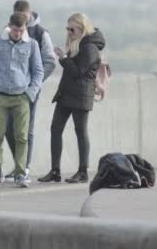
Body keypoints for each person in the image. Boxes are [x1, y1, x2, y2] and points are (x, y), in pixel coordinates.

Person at [0, 12, 43, 188]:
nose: (17, 34)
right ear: (9, 26)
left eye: (21, 31)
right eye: (15, 30)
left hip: (21, 97)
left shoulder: (32, 45)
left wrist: (31, 92)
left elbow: (38, 71)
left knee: (21, 136)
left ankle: (21, 173)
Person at [38, 13, 105, 184]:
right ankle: (55, 170)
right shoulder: (77, 44)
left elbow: (78, 71)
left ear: (82, 28)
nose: (69, 32)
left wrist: (64, 58)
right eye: (67, 29)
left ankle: (83, 171)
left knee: (80, 131)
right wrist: (65, 57)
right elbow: (72, 69)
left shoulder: (90, 47)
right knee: (55, 128)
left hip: (81, 94)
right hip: (67, 93)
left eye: (72, 29)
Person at [4, 0, 56, 182]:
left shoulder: (41, 33)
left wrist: (34, 83)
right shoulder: (7, 30)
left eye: (24, 16)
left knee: (26, 128)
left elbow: (50, 62)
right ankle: (19, 164)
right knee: (8, 127)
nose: (21, 20)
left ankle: (24, 168)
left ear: (30, 14)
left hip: (29, 89)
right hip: (8, 89)